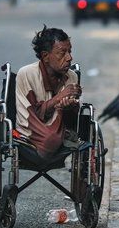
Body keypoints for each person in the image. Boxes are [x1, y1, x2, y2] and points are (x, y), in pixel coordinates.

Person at [15, 26, 82, 158]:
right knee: (51, 140)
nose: (69, 58)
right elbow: (33, 114)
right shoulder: (27, 74)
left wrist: (70, 106)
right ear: (45, 56)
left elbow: (72, 120)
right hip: (31, 129)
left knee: (69, 136)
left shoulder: (72, 77)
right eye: (62, 53)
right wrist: (59, 98)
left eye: (69, 51)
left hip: (61, 127)